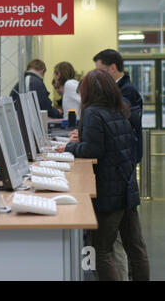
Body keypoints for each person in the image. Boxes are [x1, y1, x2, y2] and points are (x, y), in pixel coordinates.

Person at [57, 69, 150, 281]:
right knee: (136, 248)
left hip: (109, 191)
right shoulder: (120, 109)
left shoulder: (93, 113)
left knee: (100, 250)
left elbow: (93, 150)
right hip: (126, 187)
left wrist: (70, 147)